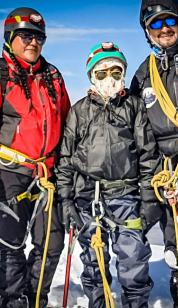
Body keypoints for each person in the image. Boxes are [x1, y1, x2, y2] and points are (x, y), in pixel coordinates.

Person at [56, 42, 160, 307]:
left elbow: (148, 154)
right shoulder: (79, 111)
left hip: (126, 195)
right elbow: (66, 159)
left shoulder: (133, 107)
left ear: (123, 72)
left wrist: (149, 200)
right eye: (101, 73)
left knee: (133, 260)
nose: (109, 78)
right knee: (93, 262)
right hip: (87, 198)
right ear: (92, 76)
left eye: (115, 71)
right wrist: (66, 200)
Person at [0, 7, 70, 307]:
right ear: (11, 38)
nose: (33, 42)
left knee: (51, 244)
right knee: (8, 243)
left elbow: (67, 122)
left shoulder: (52, 75)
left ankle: (34, 297)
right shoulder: (2, 75)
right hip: (9, 171)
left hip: (47, 174)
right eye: (26, 35)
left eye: (39, 37)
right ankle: (13, 300)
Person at [129, 0, 178, 304]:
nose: (164, 29)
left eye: (170, 21)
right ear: (147, 31)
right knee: (174, 242)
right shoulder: (142, 75)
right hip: (165, 171)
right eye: (155, 24)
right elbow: (134, 126)